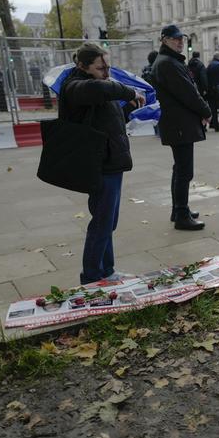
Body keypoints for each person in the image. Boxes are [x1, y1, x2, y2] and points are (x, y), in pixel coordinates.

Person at [60, 43, 145, 284]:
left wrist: (128, 108)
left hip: (111, 162)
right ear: (82, 66)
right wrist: (128, 92)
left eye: (108, 66)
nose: (106, 72)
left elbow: (106, 117)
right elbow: (98, 89)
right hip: (99, 164)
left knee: (108, 221)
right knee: (102, 222)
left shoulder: (95, 87)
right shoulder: (75, 87)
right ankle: (92, 276)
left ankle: (107, 270)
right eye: (100, 68)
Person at [150, 24, 212, 231]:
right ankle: (182, 215)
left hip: (177, 121)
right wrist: (206, 110)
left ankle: (179, 210)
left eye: (181, 39)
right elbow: (188, 93)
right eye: (175, 39)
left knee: (180, 169)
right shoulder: (168, 63)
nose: (180, 42)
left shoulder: (167, 61)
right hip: (179, 122)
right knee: (184, 170)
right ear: (164, 40)